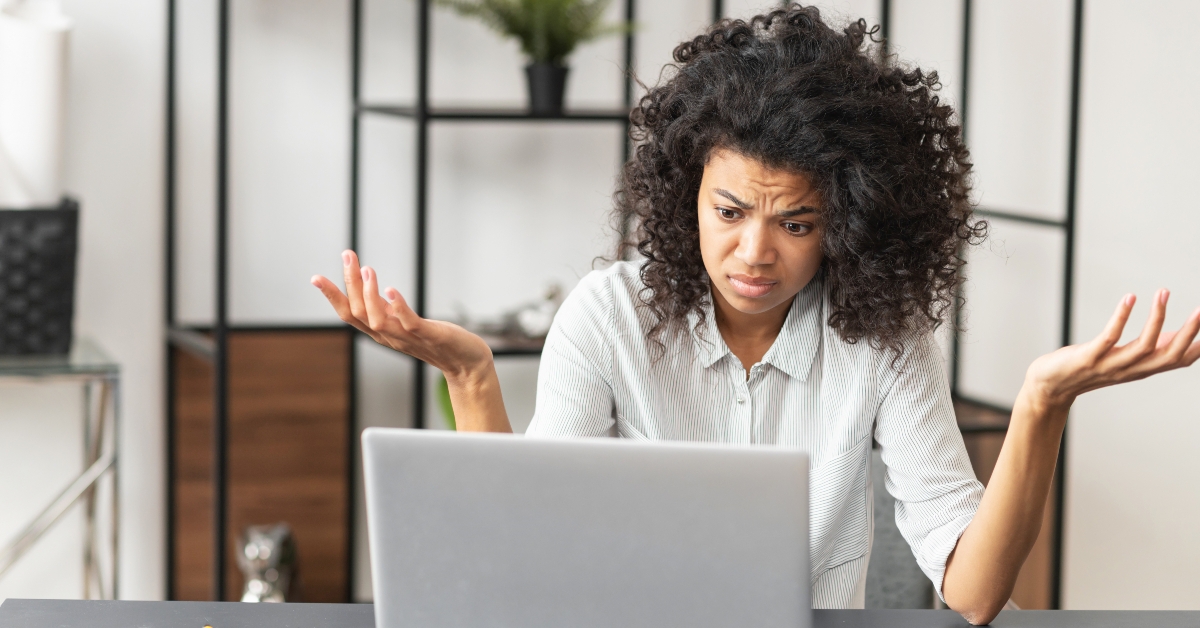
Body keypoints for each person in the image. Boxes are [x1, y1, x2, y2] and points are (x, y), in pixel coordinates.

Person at [311, 5, 1200, 625]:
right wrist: (472, 375)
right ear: (686, 195)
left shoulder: (883, 338)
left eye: (797, 224)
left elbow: (972, 595)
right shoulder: (608, 315)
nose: (754, 254)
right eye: (730, 212)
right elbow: (524, 560)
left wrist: (1042, 404)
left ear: (846, 223)